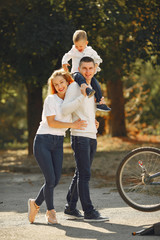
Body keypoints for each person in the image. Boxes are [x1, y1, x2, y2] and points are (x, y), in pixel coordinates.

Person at [28, 69, 87, 225]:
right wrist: (72, 124)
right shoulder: (51, 100)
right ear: (53, 86)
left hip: (58, 142)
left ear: (68, 82)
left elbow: (80, 116)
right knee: (50, 179)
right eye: (56, 84)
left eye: (62, 82)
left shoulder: (70, 101)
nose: (60, 86)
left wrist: (93, 122)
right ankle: (51, 212)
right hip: (43, 141)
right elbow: (52, 123)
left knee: (55, 179)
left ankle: (35, 204)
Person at [61, 57, 109, 222]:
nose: (88, 72)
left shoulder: (92, 87)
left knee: (80, 173)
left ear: (95, 69)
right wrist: (74, 122)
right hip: (79, 137)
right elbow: (65, 109)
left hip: (91, 135)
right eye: (84, 69)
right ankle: (89, 211)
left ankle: (70, 207)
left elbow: (87, 109)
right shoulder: (75, 87)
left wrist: (93, 120)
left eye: (90, 68)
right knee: (85, 175)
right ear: (79, 70)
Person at [62, 29, 111, 112]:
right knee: (78, 76)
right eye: (76, 46)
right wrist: (64, 62)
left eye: (80, 46)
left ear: (86, 43)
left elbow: (98, 59)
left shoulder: (90, 51)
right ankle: (86, 89)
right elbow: (66, 56)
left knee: (96, 84)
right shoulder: (74, 50)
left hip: (87, 75)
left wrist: (95, 66)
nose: (78, 48)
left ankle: (100, 102)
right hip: (76, 73)